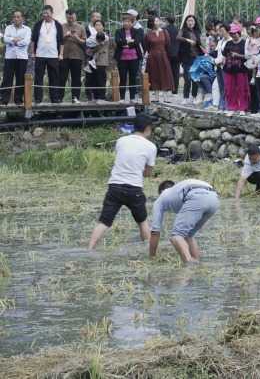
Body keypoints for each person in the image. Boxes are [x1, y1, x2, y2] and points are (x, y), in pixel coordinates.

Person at [88, 114, 156, 249]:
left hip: (115, 186)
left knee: (104, 221)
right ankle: (148, 249)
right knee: (142, 221)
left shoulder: (121, 141)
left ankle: (90, 248)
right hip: (134, 188)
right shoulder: (151, 147)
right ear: (148, 128)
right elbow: (148, 173)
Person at [149, 179, 219, 264]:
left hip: (196, 196)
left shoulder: (160, 198)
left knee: (176, 236)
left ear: (161, 191)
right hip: (214, 198)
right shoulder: (178, 189)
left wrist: (152, 257)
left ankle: (189, 266)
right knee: (188, 235)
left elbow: (155, 232)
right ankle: (197, 264)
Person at [31, 5, 64, 104]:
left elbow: (61, 42)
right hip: (40, 54)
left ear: (52, 13)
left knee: (54, 77)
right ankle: (38, 98)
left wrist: (61, 54)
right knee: (38, 78)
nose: (45, 15)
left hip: (53, 55)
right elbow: (33, 40)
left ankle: (54, 98)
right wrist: (33, 53)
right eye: (44, 13)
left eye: (47, 13)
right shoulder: (38, 24)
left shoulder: (57, 25)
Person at [113, 9, 144, 102]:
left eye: (128, 21)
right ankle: (122, 97)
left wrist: (126, 43)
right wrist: (130, 41)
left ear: (132, 22)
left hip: (134, 58)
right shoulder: (118, 31)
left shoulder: (137, 31)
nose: (126, 23)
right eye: (124, 21)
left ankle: (132, 97)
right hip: (122, 58)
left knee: (133, 78)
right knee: (122, 78)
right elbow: (118, 42)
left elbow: (137, 42)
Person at [1, 10, 30, 105]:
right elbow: (5, 39)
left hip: (22, 57)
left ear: (22, 18)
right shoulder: (8, 28)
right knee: (7, 78)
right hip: (10, 57)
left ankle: (18, 100)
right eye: (14, 17)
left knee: (20, 79)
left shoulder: (27, 29)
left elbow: (26, 42)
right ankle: (4, 99)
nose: (16, 19)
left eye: (18, 17)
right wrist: (16, 39)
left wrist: (12, 41)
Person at [144, 16, 175, 100]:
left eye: (158, 20)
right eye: (156, 20)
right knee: (154, 75)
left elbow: (168, 45)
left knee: (165, 75)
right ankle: (156, 97)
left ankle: (166, 97)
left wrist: (168, 56)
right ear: (152, 22)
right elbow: (146, 46)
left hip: (163, 55)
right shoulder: (148, 34)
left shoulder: (165, 32)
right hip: (152, 57)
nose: (158, 22)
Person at [222, 24, 250, 111]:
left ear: (239, 33)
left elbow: (248, 56)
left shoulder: (244, 43)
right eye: (232, 33)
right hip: (229, 69)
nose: (233, 35)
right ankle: (232, 106)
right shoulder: (228, 43)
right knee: (230, 88)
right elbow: (224, 54)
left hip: (241, 69)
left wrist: (238, 55)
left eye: (235, 33)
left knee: (242, 88)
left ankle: (243, 107)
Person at [61, 10, 86, 103]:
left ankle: (75, 98)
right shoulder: (62, 26)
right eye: (68, 17)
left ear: (75, 17)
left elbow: (84, 42)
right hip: (64, 55)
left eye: (72, 17)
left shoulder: (81, 27)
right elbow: (59, 40)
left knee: (76, 78)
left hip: (77, 56)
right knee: (62, 77)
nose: (70, 19)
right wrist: (66, 36)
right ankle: (60, 98)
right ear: (66, 17)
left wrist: (76, 37)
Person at [177, 15, 203, 104]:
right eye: (189, 21)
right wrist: (188, 40)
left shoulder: (197, 32)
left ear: (195, 22)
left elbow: (200, 44)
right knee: (187, 78)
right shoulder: (182, 31)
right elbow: (178, 38)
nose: (190, 22)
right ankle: (185, 97)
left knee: (195, 78)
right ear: (186, 22)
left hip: (196, 58)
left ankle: (194, 96)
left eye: (192, 21)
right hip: (186, 58)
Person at [85, 19, 111, 101]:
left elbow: (98, 46)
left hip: (101, 61)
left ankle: (102, 98)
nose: (98, 26)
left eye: (100, 25)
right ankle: (93, 98)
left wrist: (91, 50)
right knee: (92, 80)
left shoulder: (105, 36)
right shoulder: (92, 36)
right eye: (96, 25)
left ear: (103, 27)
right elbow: (88, 44)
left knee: (101, 80)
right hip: (92, 62)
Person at [213, 23, 231, 109]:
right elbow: (217, 53)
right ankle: (222, 105)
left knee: (226, 87)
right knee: (221, 87)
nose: (220, 33)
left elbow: (225, 55)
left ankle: (227, 105)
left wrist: (216, 61)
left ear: (227, 31)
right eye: (220, 31)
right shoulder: (220, 41)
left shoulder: (230, 41)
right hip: (218, 66)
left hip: (225, 66)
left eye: (222, 31)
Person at [164, 15, 181, 98]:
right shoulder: (178, 30)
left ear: (167, 21)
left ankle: (168, 88)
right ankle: (175, 90)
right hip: (177, 54)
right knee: (176, 72)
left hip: (168, 53)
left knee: (168, 71)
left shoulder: (165, 30)